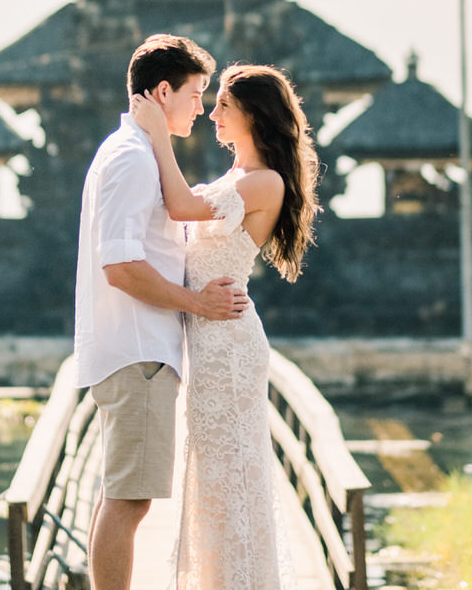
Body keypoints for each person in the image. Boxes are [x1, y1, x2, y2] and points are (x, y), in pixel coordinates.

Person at [130, 63, 320, 590]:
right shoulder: (237, 178)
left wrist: (156, 135)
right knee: (213, 473)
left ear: (254, 116)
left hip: (229, 341)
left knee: (231, 470)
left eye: (224, 107)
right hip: (209, 334)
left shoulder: (265, 181)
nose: (212, 114)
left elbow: (182, 205)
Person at [74, 34, 249, 590]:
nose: (201, 108)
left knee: (120, 496)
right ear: (163, 90)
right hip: (138, 352)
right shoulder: (131, 159)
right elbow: (121, 266)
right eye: (196, 94)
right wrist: (197, 303)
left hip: (133, 351)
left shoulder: (132, 151)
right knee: (129, 502)